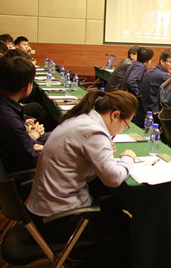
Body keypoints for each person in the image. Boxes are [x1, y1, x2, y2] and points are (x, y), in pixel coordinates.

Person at [26, 90, 137, 267]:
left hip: (45, 209)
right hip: (57, 219)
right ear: (115, 115)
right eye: (125, 125)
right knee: (126, 231)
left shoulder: (80, 119)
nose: (123, 129)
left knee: (114, 208)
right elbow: (114, 178)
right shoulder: (94, 131)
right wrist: (128, 158)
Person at [0, 53, 44, 180]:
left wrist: (26, 133)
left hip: (15, 155)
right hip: (22, 174)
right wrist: (47, 151)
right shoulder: (6, 118)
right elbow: (31, 159)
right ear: (27, 87)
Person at [139, 49, 171, 114]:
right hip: (153, 112)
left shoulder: (151, 71)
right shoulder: (163, 76)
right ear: (162, 61)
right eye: (170, 62)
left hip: (143, 110)